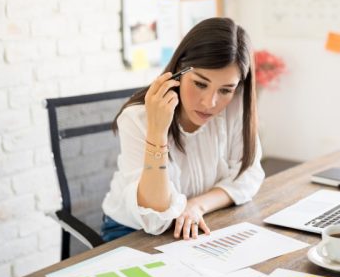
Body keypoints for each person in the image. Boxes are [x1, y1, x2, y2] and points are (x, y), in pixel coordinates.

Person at [101, 17, 265, 242]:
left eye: (225, 90)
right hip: (133, 233)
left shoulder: (236, 105)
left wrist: (197, 205)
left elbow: (249, 175)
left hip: (198, 222)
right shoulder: (137, 118)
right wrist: (157, 132)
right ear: (178, 71)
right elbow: (154, 218)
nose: (210, 102)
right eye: (200, 84)